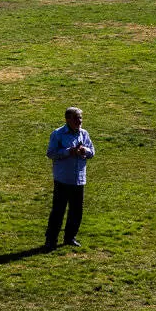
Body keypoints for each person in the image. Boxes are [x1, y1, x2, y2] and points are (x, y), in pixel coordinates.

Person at [45, 107, 95, 250]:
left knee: (76, 211)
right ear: (67, 119)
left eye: (80, 118)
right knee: (58, 211)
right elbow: (51, 153)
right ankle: (51, 240)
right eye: (76, 118)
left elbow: (92, 152)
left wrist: (85, 151)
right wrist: (69, 151)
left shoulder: (84, 134)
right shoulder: (58, 134)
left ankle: (70, 237)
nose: (79, 121)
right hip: (63, 179)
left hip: (79, 179)